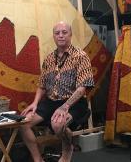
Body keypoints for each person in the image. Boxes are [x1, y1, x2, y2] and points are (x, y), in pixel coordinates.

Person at [20, 21, 94, 162]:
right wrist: (35, 103)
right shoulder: (48, 59)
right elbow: (42, 85)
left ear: (70, 34)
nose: (60, 36)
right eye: (57, 33)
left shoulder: (80, 56)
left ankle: (67, 150)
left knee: (57, 124)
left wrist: (65, 106)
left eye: (64, 32)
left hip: (74, 103)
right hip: (50, 101)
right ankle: (38, 159)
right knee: (22, 123)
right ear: (53, 36)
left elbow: (83, 87)